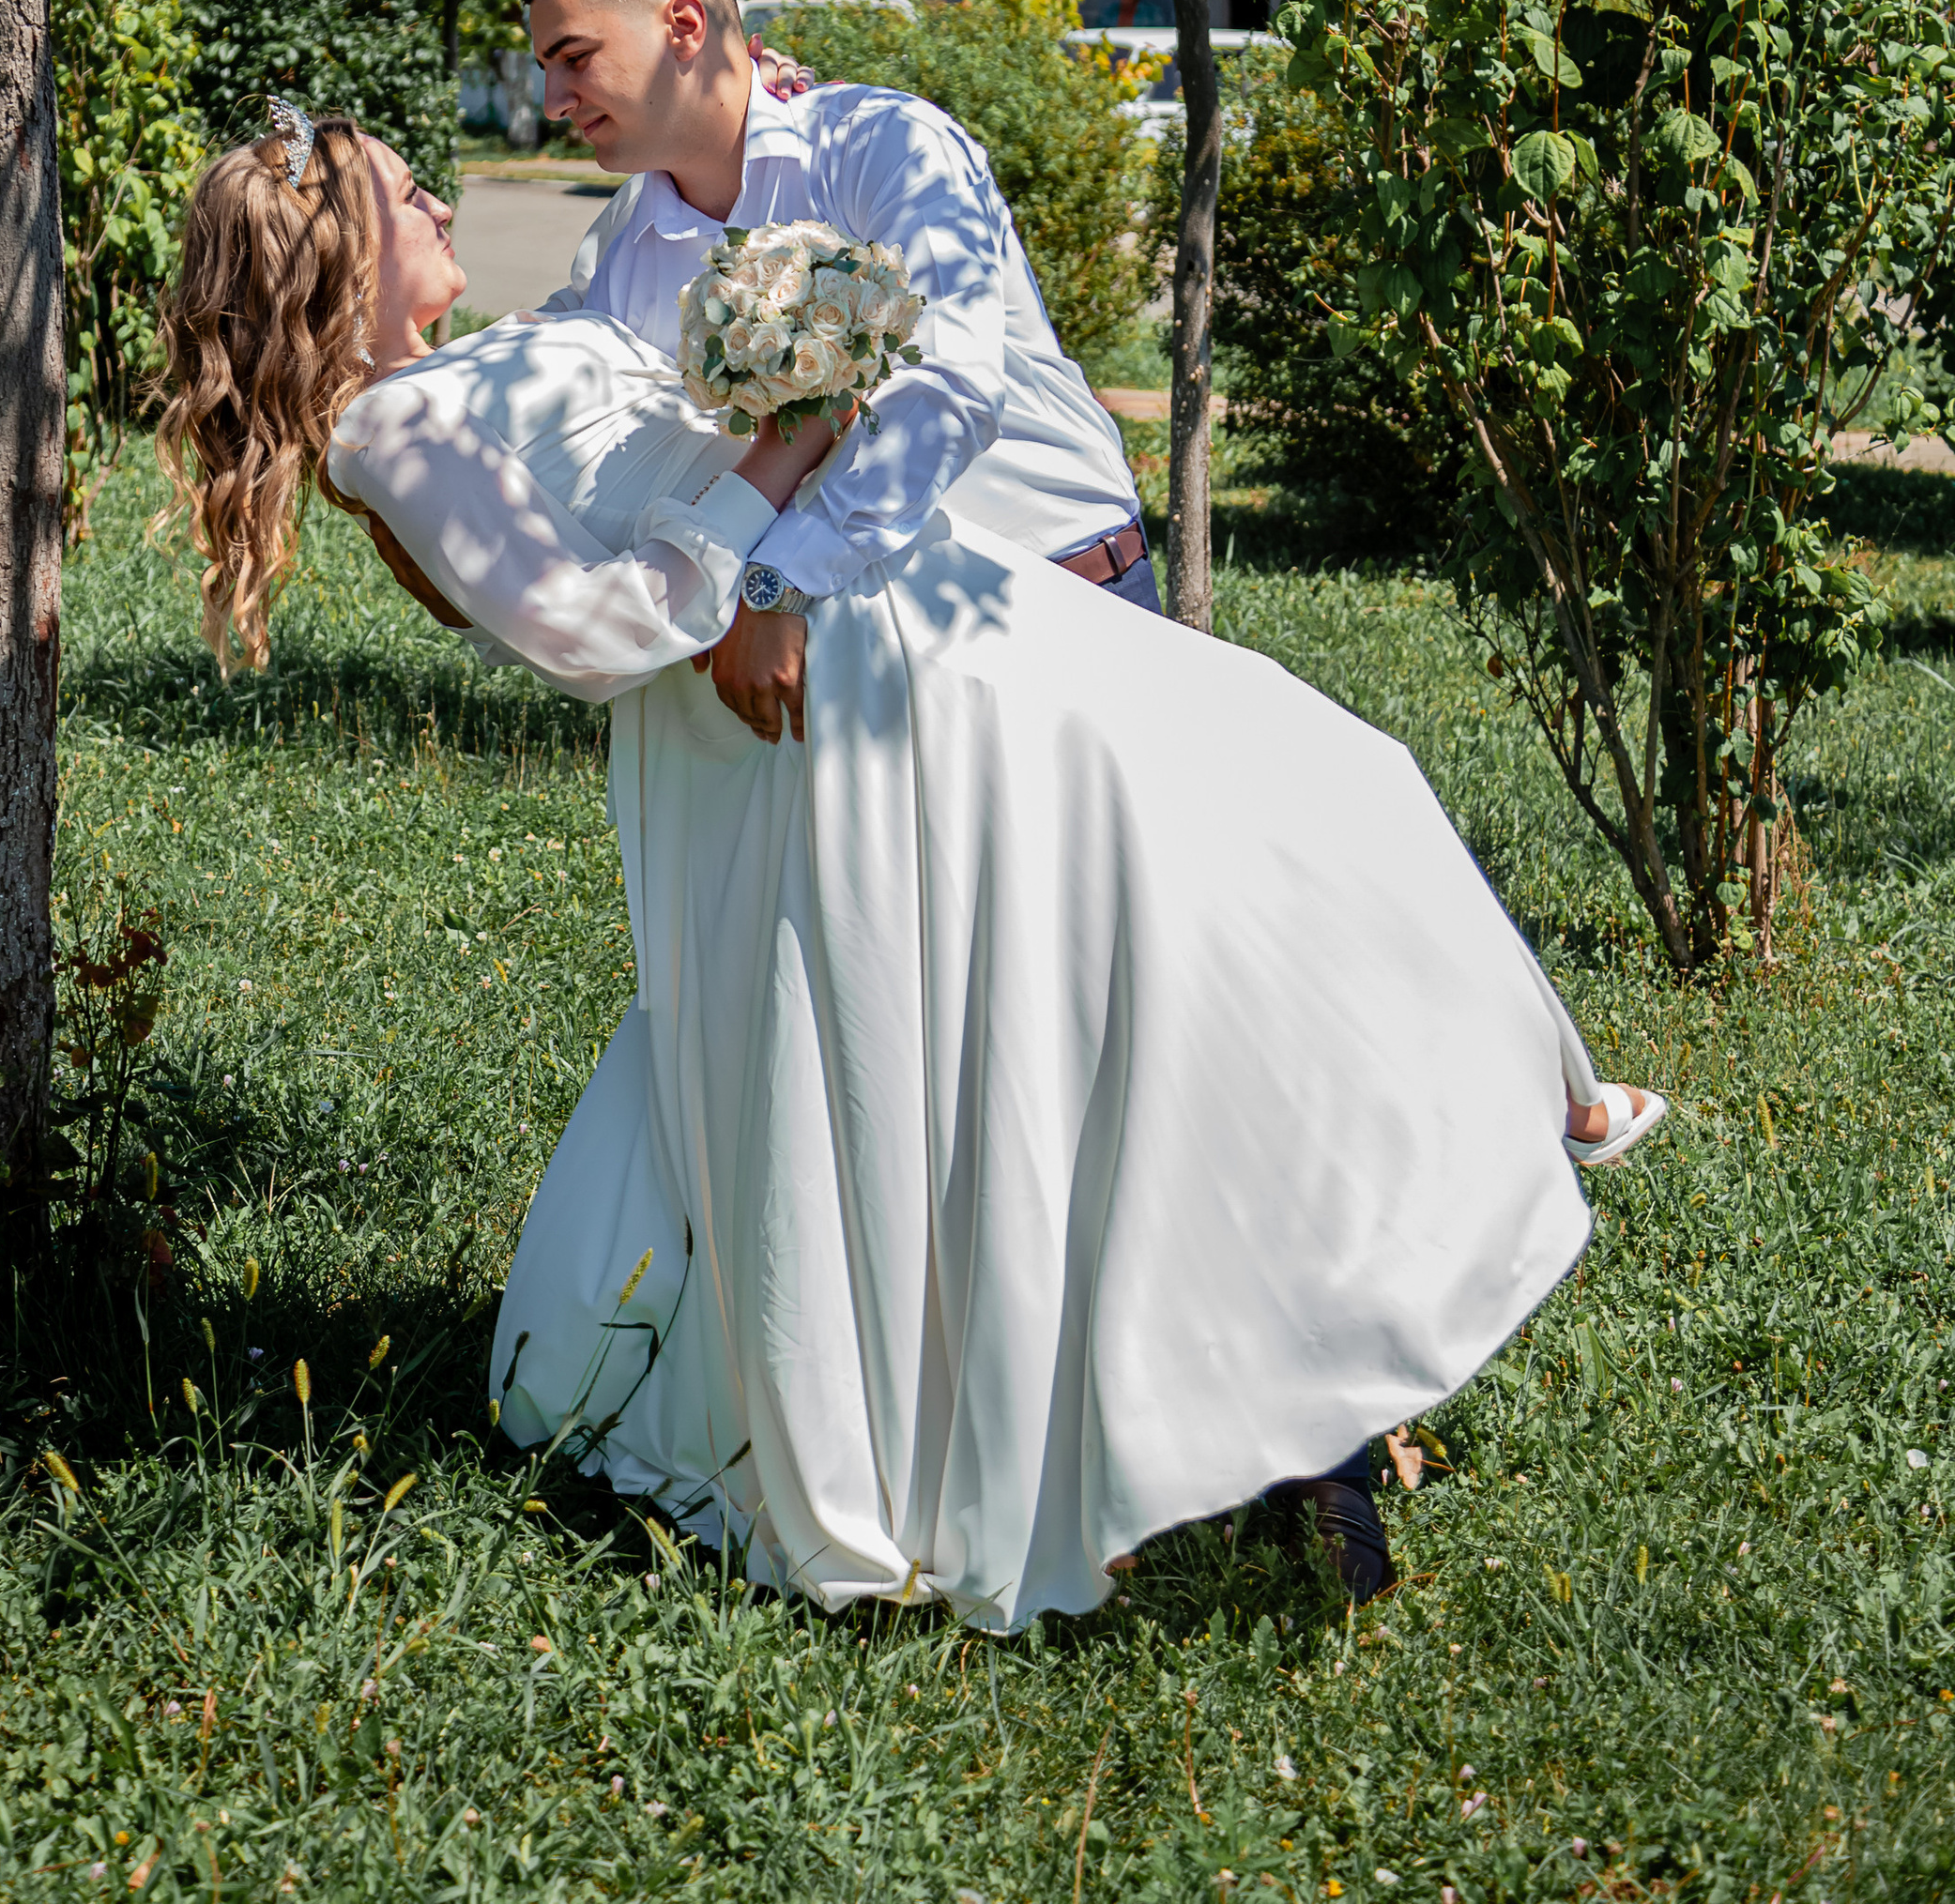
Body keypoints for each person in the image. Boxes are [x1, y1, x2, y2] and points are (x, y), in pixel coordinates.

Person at [158, 105, 1666, 1637]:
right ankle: (1090, 1424)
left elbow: (650, 346)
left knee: (1297, 790)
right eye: (404, 193)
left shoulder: (509, 346)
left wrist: (770, 257)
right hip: (797, 717)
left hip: (899, 611)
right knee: (952, 1039)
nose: (435, 195)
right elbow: (587, 632)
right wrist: (784, 448)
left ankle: (1322, 1320)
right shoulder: (390, 431)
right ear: (338, 263)